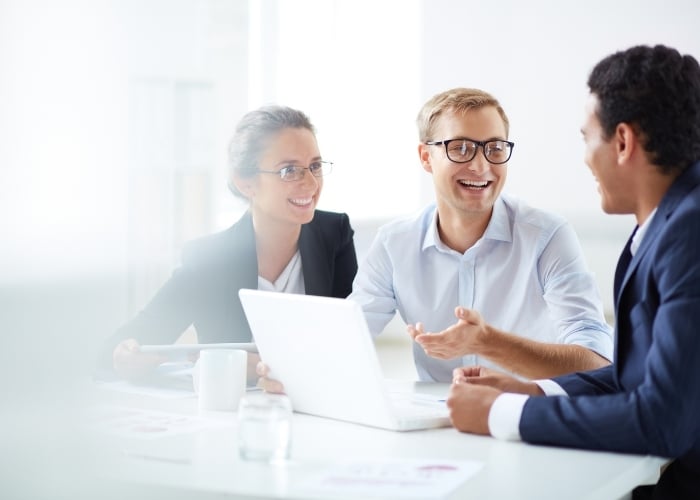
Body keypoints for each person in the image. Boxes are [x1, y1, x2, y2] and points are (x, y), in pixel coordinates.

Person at [446, 44, 700, 499]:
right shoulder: (669, 221)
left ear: (622, 142)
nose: (584, 158)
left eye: (587, 138)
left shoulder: (690, 232)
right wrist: (536, 392)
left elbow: (664, 421)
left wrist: (502, 415)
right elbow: (642, 375)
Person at [348, 87, 613, 382]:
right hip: (436, 418)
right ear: (426, 157)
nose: (481, 166)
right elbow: (345, 338)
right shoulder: (393, 243)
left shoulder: (546, 236)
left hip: (525, 413)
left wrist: (488, 342)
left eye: (495, 148)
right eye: (460, 148)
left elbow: (597, 361)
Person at [98, 105, 358, 381]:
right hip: (232, 412)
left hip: (317, 407)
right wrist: (122, 356)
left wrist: (266, 367)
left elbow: (350, 347)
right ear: (246, 183)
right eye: (289, 170)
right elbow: (127, 342)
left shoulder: (334, 235)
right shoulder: (209, 259)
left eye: (315, 166)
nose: (310, 183)